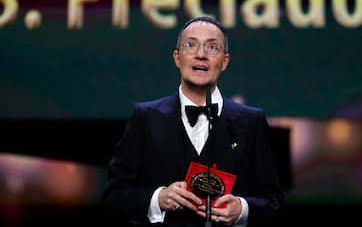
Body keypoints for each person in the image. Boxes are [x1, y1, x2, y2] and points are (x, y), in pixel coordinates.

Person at [100, 16, 287, 226]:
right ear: (177, 57)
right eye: (191, 45)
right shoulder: (144, 117)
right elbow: (112, 199)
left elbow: (275, 204)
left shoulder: (252, 122)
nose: (201, 55)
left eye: (212, 47)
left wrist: (242, 209)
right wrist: (157, 199)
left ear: (224, 61)